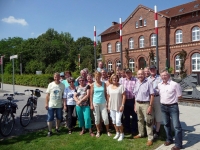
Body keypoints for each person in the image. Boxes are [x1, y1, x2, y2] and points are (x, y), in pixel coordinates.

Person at [158, 69, 182, 150]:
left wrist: (173, 101)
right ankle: (169, 139)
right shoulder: (159, 85)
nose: (164, 77)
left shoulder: (175, 84)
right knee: (166, 125)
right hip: (163, 107)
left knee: (176, 126)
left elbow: (179, 96)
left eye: (165, 75)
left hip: (173, 107)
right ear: (160, 77)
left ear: (168, 76)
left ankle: (178, 144)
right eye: (162, 75)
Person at [133, 69, 154, 146]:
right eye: (138, 74)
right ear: (137, 75)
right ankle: (141, 133)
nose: (140, 76)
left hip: (146, 104)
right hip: (138, 103)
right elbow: (135, 94)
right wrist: (135, 105)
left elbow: (152, 95)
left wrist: (150, 106)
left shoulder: (148, 82)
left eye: (141, 74)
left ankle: (150, 138)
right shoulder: (136, 83)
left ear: (144, 75)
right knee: (140, 120)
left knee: (148, 121)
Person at [90, 71, 111, 137]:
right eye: (96, 76)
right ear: (95, 77)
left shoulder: (103, 84)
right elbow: (91, 95)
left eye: (99, 76)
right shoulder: (93, 85)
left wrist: (107, 103)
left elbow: (105, 94)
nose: (97, 77)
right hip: (95, 103)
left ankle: (107, 131)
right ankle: (98, 131)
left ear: (100, 76)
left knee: (105, 118)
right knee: (97, 119)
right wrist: (91, 104)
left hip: (103, 103)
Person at [45, 72, 65, 137]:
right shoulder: (50, 85)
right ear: (54, 77)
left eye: (58, 77)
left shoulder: (62, 85)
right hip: (51, 104)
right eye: (55, 77)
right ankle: (50, 131)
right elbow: (47, 95)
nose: (57, 78)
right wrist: (46, 103)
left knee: (59, 117)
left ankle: (57, 128)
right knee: (50, 118)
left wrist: (63, 104)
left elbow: (63, 96)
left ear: (60, 77)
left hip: (59, 104)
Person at [107, 74, 126, 141]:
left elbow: (124, 96)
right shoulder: (109, 87)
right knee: (114, 121)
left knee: (118, 121)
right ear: (111, 79)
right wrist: (108, 106)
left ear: (117, 79)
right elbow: (108, 97)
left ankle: (122, 134)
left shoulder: (121, 86)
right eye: (113, 78)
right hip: (112, 107)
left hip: (119, 107)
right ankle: (117, 132)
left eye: (115, 78)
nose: (114, 79)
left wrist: (122, 105)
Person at [120, 68, 138, 136]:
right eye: (127, 73)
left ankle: (134, 130)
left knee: (134, 115)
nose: (128, 74)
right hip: (125, 100)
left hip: (133, 100)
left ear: (131, 73)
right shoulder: (122, 80)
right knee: (126, 115)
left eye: (129, 73)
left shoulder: (135, 80)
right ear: (125, 73)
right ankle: (127, 129)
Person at [148, 65, 162, 139]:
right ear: (149, 70)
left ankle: (157, 131)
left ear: (156, 70)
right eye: (151, 69)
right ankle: (153, 128)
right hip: (149, 98)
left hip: (157, 98)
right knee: (151, 114)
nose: (152, 70)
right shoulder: (147, 79)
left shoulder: (160, 78)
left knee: (158, 114)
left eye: (153, 69)